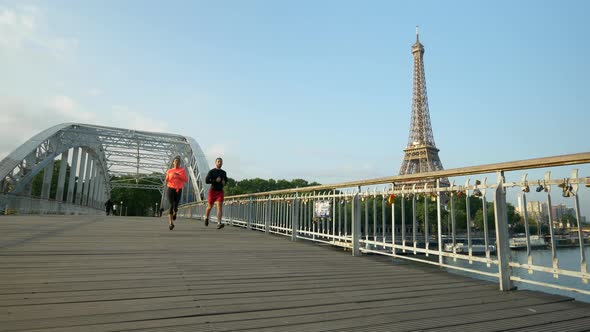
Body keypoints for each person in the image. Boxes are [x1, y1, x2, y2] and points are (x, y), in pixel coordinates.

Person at [165, 156, 188, 230]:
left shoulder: (182, 170)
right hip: (171, 189)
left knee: (176, 204)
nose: (176, 163)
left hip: (178, 189)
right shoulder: (169, 171)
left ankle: (175, 212)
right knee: (171, 204)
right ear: (173, 163)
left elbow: (186, 180)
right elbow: (167, 180)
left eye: (178, 162)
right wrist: (168, 179)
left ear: (180, 163)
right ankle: (171, 223)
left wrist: (179, 175)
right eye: (175, 161)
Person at [205, 157, 228, 229]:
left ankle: (219, 223)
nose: (219, 163)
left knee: (219, 207)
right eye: (218, 161)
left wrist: (224, 183)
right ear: (215, 163)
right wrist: (215, 180)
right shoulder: (211, 171)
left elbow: (226, 181)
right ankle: (206, 218)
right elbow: (207, 181)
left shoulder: (224, 172)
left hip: (220, 192)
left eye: (220, 162)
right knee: (209, 207)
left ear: (222, 163)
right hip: (212, 191)